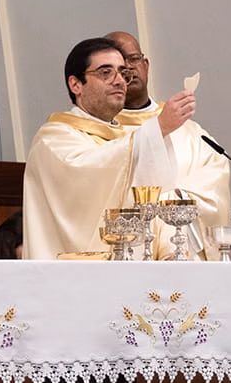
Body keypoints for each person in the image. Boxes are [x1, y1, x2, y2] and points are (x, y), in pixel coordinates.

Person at [23, 37, 195, 259]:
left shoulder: (128, 139)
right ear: (75, 84)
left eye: (123, 73)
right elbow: (91, 173)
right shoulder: (54, 138)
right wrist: (158, 128)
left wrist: (169, 251)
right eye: (106, 73)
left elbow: (154, 198)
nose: (119, 81)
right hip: (77, 279)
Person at [106, 31, 231, 260]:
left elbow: (216, 175)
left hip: (188, 263)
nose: (127, 69)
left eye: (133, 59)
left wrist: (174, 199)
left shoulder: (189, 131)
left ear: (146, 64)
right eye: (117, 65)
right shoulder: (102, 134)